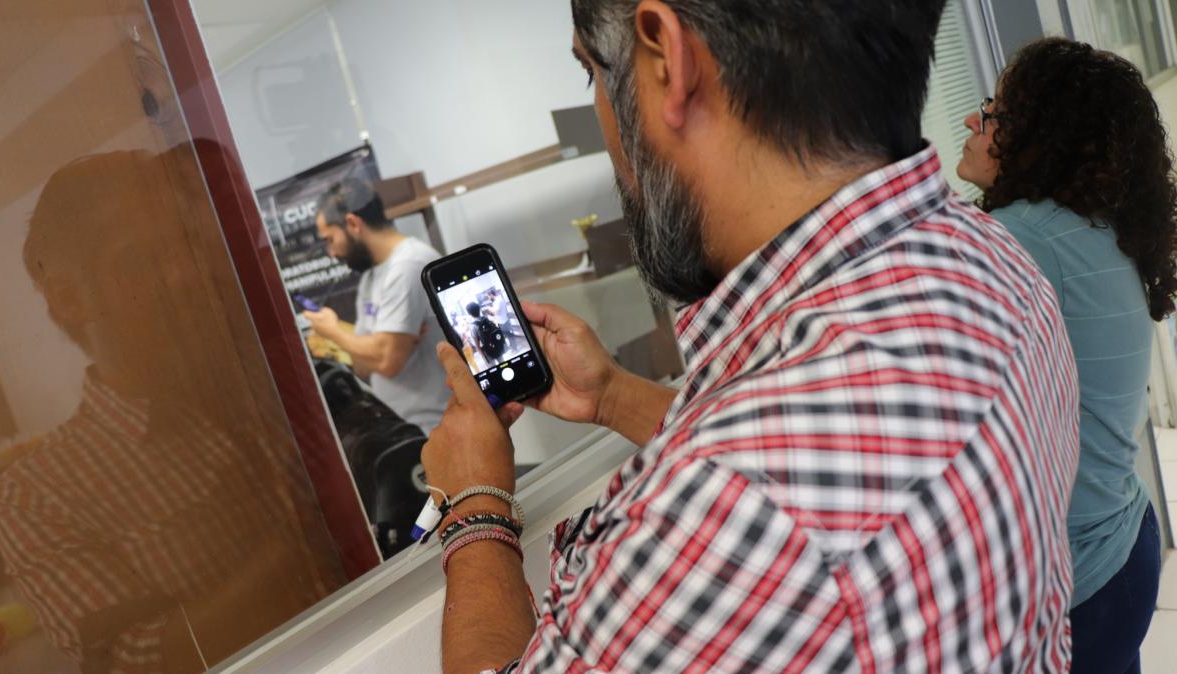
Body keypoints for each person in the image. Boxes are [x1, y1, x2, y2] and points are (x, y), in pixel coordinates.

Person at [420, 2, 1080, 673]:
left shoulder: (724, 512)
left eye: (593, 72)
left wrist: (476, 504)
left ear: (666, 57)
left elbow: (767, 481)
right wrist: (612, 396)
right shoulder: (993, 257)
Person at [0, 149, 344, 672]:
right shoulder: (35, 497)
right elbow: (139, 661)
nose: (184, 275)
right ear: (70, 298)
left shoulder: (269, 383)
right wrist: (302, 530)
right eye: (141, 259)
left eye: (187, 246)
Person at [956, 37, 1176, 674]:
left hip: (1084, 580)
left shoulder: (1025, 238)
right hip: (1122, 541)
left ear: (1038, 137)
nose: (972, 120)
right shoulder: (1088, 226)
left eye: (994, 113)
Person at [303, 178, 449, 434]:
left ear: (352, 224)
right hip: (404, 430)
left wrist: (334, 332)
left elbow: (386, 361)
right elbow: (362, 364)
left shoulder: (409, 266)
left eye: (330, 239)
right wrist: (381, 346)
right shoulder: (371, 278)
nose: (331, 252)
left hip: (438, 427)